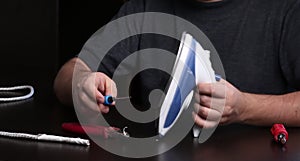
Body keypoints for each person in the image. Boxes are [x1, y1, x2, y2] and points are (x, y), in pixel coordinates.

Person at [54, 0, 300, 129]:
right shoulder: (145, 7)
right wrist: (82, 83)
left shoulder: (285, 10)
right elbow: (66, 76)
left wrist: (244, 108)